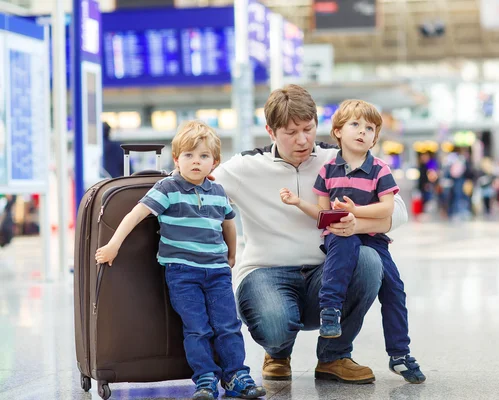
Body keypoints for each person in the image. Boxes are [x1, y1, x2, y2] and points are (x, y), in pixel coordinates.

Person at [213, 84, 424, 385]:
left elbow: (398, 209)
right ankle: (278, 351)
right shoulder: (245, 167)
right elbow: (188, 181)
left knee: (368, 260)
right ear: (271, 132)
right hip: (265, 273)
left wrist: (357, 226)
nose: (302, 140)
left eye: (308, 129)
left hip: (326, 273)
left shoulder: (338, 159)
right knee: (275, 324)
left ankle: (334, 356)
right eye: (290, 132)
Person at [95, 121, 266, 400]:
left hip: (217, 272)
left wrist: (232, 254)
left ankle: (236, 376)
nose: (195, 162)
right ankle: (206, 379)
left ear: (215, 162)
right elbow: (135, 215)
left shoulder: (218, 192)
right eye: (188, 155)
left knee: (228, 325)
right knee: (197, 327)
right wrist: (113, 245)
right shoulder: (167, 187)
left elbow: (229, 224)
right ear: (176, 159)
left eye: (203, 156)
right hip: (183, 273)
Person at [279, 99, 425, 383]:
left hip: (374, 240)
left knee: (395, 290)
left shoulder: (380, 169)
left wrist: (355, 213)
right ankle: (330, 310)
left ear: (375, 138)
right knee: (342, 246)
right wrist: (298, 203)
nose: (362, 132)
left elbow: (387, 207)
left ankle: (399, 353)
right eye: (355, 125)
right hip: (338, 236)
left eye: (370, 128)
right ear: (337, 132)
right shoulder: (328, 171)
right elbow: (323, 212)